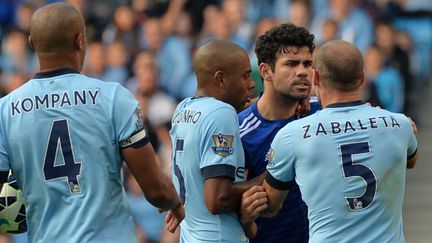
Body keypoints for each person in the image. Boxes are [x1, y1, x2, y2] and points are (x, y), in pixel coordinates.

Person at [0, 3, 184, 242]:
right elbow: (155, 190)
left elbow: (4, 200)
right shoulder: (113, 98)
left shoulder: (5, 110)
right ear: (80, 40)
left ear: (32, 43)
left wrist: (13, 215)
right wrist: (174, 201)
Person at [261, 40, 418, 242]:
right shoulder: (399, 124)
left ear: (315, 77)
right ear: (362, 79)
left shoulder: (292, 134)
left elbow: (271, 205)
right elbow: (411, 160)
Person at [168, 39, 267, 242]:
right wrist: (272, 176)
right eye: (246, 76)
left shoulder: (183, 109)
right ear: (220, 79)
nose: (252, 84)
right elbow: (217, 199)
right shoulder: (221, 113)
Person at [238, 23, 319, 243]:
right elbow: (228, 200)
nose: (303, 71)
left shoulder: (323, 112)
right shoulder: (240, 132)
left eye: (307, 63)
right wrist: (243, 217)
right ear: (265, 71)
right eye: (291, 64)